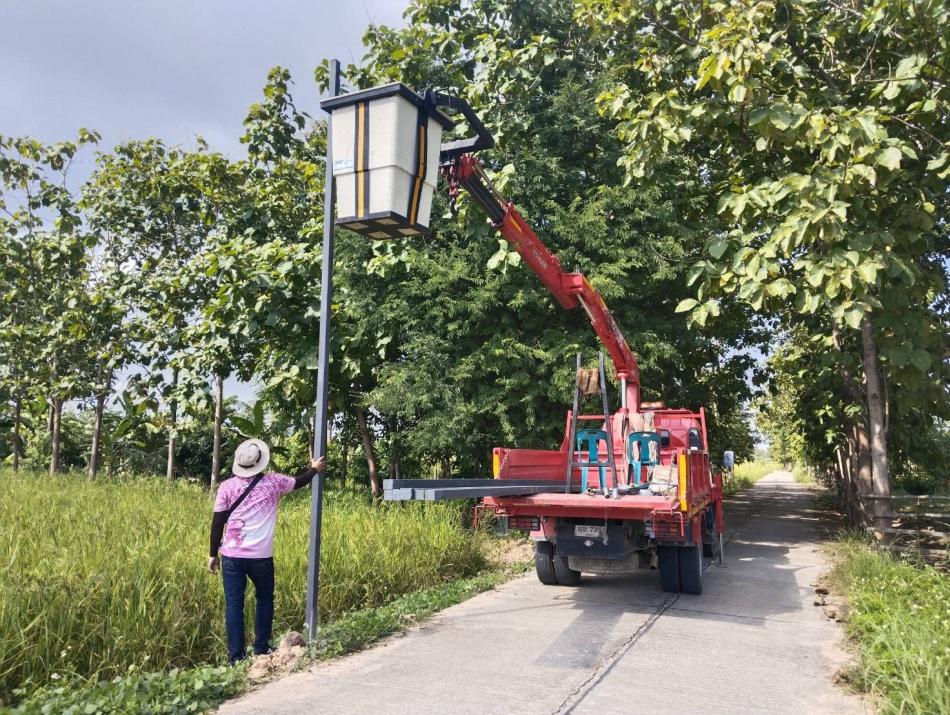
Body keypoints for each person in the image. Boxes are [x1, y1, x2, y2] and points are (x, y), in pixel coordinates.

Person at [208, 438, 325, 663]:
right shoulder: (273, 482)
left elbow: (217, 523)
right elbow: (299, 481)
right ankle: (261, 648)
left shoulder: (226, 487)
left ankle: (236, 658)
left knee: (234, 605)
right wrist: (314, 469)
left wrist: (213, 554)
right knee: (264, 599)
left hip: (231, 555)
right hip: (261, 556)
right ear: (260, 462)